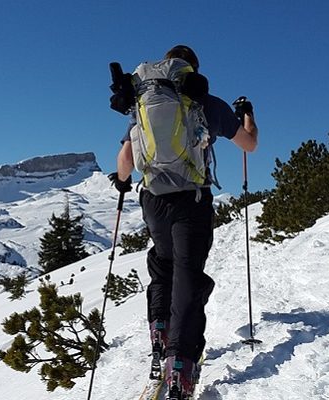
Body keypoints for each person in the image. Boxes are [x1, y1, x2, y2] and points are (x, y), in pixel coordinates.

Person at [109, 45, 258, 396]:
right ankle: (181, 366)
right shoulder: (205, 101)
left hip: (153, 200)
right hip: (191, 200)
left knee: (163, 264)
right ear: (192, 68)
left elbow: (127, 157)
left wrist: (121, 181)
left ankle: (160, 331)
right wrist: (247, 114)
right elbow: (249, 145)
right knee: (188, 275)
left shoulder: (145, 104)